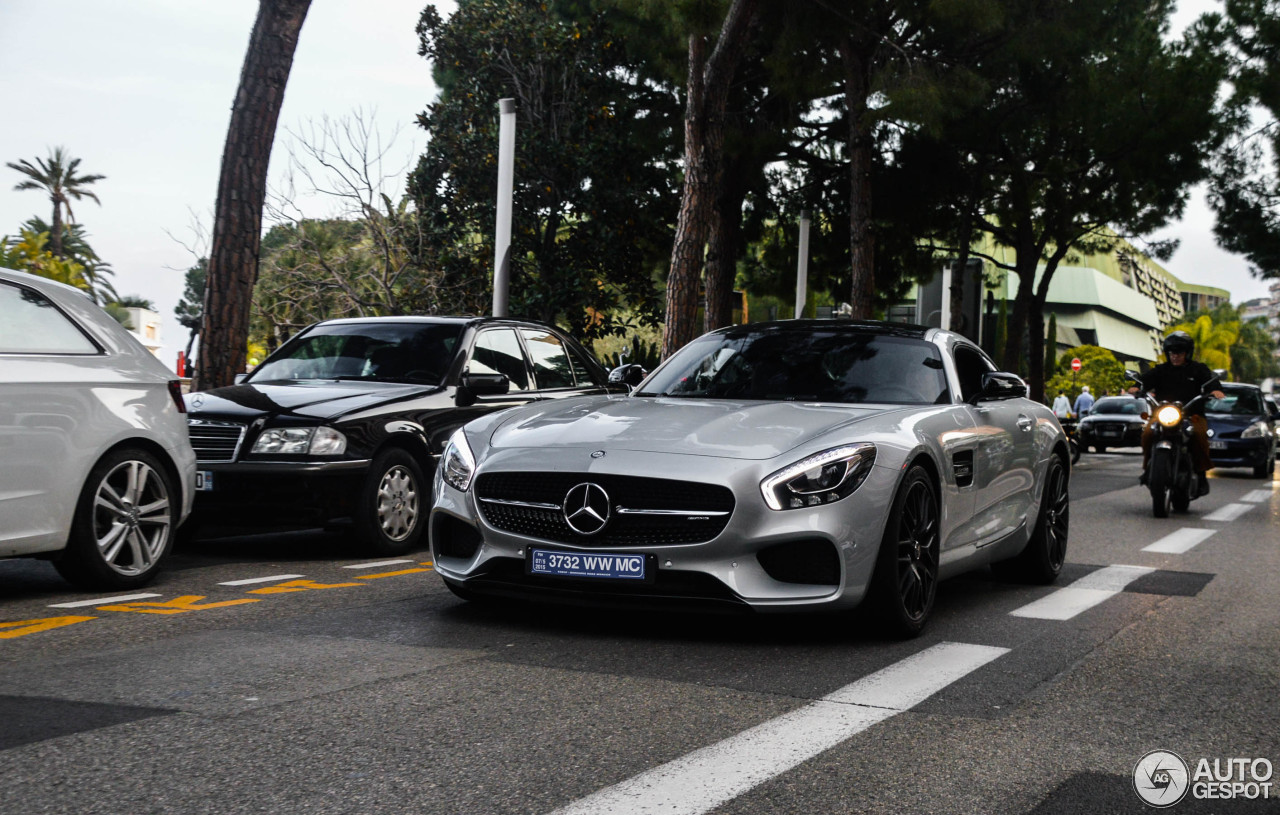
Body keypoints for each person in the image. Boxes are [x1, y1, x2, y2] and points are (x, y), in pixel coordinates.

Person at [1130, 330, 1225, 496]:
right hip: (1163, 413)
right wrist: (1137, 386)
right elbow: (1145, 380)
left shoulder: (1198, 370)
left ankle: (1201, 475)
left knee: (1200, 435)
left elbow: (1211, 381)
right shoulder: (1161, 370)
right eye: (1172, 353)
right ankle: (1149, 469)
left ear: (1187, 353)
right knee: (1147, 434)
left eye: (1179, 353)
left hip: (1191, 415)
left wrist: (1215, 390)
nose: (1175, 356)